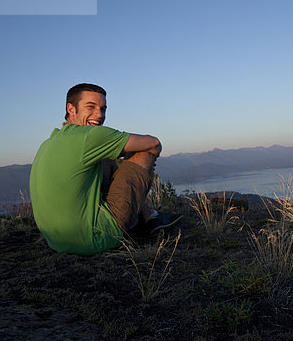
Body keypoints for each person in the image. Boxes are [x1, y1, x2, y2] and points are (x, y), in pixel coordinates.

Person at [29, 83, 181, 255]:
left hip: (58, 241)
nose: (99, 115)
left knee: (105, 156)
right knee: (145, 150)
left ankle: (147, 214)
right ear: (71, 109)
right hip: (96, 237)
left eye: (103, 108)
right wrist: (131, 158)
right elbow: (154, 143)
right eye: (91, 107)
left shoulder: (47, 143)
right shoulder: (90, 136)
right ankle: (146, 219)